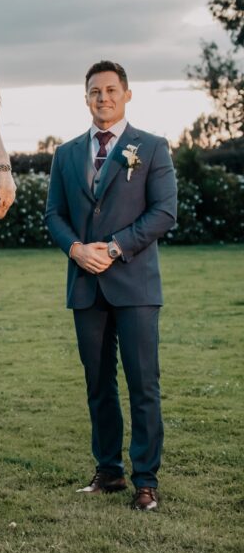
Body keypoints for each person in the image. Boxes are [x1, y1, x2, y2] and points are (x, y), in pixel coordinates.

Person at [44, 60, 177, 512]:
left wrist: (116, 247)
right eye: (94, 92)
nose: (103, 98)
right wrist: (76, 249)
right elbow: (53, 216)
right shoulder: (66, 154)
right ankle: (109, 471)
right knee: (97, 383)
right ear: (85, 98)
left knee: (143, 384)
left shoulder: (153, 148)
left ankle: (146, 479)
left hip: (135, 284)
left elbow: (164, 213)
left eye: (110, 90)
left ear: (126, 94)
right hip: (85, 284)